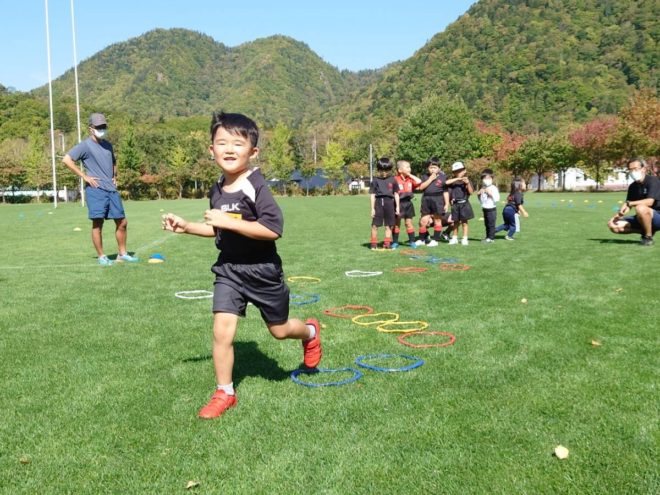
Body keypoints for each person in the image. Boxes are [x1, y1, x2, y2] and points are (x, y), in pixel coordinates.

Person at [162, 112, 321, 419]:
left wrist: (228, 222)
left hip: (262, 270)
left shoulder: (255, 186)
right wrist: (187, 227)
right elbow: (218, 229)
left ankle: (310, 332)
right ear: (211, 149)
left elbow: (273, 229)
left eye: (238, 143)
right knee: (221, 331)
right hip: (229, 270)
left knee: (280, 330)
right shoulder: (217, 188)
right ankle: (225, 392)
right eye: (222, 143)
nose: (229, 149)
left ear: (253, 151)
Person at [62, 113, 139, 265]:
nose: (101, 129)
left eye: (103, 126)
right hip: (96, 190)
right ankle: (101, 256)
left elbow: (113, 162)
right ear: (91, 128)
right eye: (98, 127)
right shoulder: (85, 145)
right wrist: (84, 176)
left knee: (122, 222)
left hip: (111, 189)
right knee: (98, 224)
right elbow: (66, 160)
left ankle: (122, 254)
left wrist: (114, 175)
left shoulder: (108, 145)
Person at [608, 158, 660, 246]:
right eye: (630, 170)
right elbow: (627, 204)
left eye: (635, 169)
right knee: (614, 226)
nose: (633, 172)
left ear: (644, 169)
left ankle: (648, 237)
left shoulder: (653, 180)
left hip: (657, 216)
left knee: (640, 207)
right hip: (642, 217)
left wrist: (630, 203)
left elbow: (649, 202)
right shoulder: (632, 186)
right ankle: (646, 231)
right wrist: (618, 215)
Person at [414, 157, 449, 247]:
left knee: (437, 220)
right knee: (423, 221)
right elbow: (421, 188)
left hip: (438, 200)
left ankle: (435, 240)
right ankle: (421, 239)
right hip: (426, 199)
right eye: (431, 167)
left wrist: (447, 203)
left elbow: (445, 192)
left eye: (435, 167)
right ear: (427, 168)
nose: (433, 169)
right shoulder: (424, 176)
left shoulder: (443, 177)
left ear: (439, 168)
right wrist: (430, 179)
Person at [369, 157, 400, 249]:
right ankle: (373, 244)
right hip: (378, 203)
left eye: (386, 170)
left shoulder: (393, 179)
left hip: (389, 203)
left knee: (389, 225)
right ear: (378, 170)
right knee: (375, 225)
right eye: (382, 170)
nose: (384, 173)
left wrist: (397, 207)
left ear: (390, 170)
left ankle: (387, 244)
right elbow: (372, 195)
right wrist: (372, 208)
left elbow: (396, 194)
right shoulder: (375, 180)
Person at [393, 160, 422, 247]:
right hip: (398, 204)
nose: (409, 169)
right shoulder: (395, 179)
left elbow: (419, 181)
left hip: (408, 204)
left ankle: (412, 241)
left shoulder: (410, 179)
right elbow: (394, 193)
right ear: (400, 170)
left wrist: (410, 175)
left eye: (410, 167)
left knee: (408, 223)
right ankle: (395, 242)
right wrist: (397, 206)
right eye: (407, 167)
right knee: (397, 224)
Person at [445, 161, 474, 245]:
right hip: (455, 204)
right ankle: (454, 238)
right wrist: (457, 178)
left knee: (464, 222)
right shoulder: (452, 181)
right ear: (454, 172)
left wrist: (467, 183)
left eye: (460, 170)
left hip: (464, 204)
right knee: (455, 222)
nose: (459, 172)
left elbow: (471, 192)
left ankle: (465, 238)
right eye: (456, 171)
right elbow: (446, 183)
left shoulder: (467, 181)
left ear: (464, 170)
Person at [477, 168, 500, 243]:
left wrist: (490, 193)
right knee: (486, 224)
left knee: (491, 224)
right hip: (485, 208)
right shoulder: (483, 188)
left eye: (488, 178)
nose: (486, 180)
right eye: (484, 178)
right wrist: (479, 194)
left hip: (491, 209)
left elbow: (497, 199)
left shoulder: (493, 188)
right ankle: (487, 237)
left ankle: (491, 238)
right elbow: (482, 200)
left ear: (492, 178)